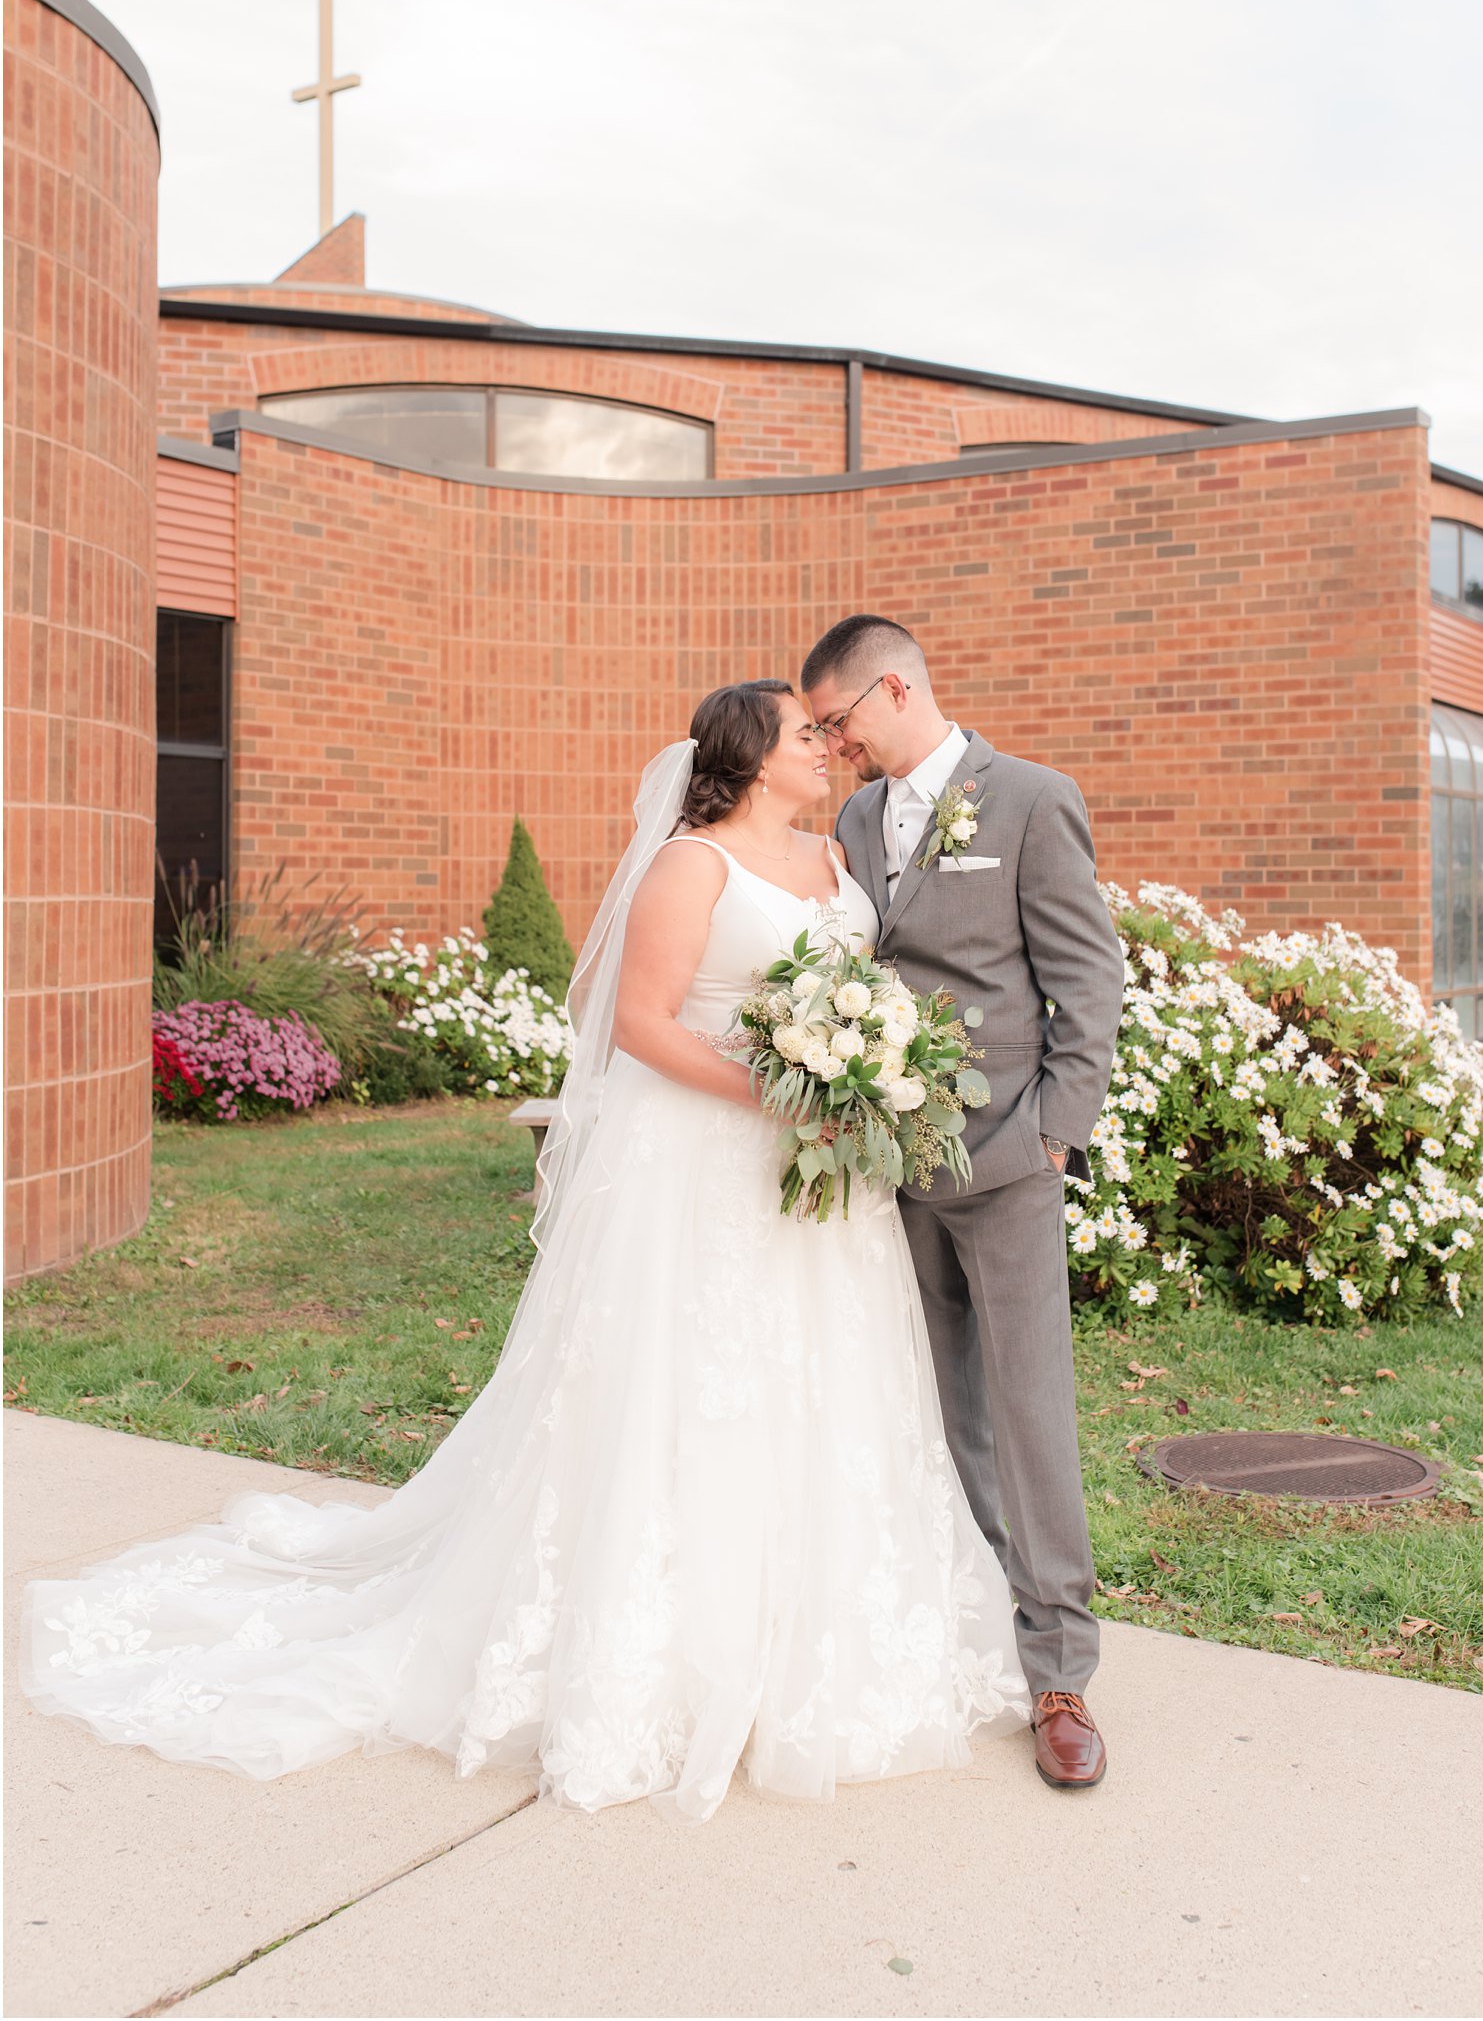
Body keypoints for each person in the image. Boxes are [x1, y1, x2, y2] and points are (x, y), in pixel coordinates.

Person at [21, 682, 1029, 1825]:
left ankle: (813, 1642)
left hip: (821, 1184)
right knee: (684, 1394)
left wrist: (859, 1079)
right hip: (708, 1168)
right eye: (806, 735)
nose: (826, 748)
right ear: (752, 759)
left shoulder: (835, 862)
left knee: (821, 1391)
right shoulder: (689, 867)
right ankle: (667, 1652)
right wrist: (779, 1098)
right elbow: (640, 1022)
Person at [801, 617, 1125, 1791]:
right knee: (933, 1414)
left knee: (1028, 1416)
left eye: (838, 721)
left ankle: (1057, 1676)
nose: (831, 748)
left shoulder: (1031, 800)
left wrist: (1050, 1135)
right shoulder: (847, 821)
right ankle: (971, 1630)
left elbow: (1087, 978)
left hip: (1004, 1166)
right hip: (885, 1176)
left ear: (894, 687)